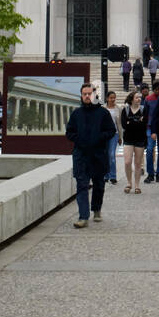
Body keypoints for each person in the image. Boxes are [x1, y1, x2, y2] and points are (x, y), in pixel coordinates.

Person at [65, 83, 117, 228]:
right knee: (81, 185)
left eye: (89, 93)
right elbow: (69, 132)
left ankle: (97, 209)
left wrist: (99, 137)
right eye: (84, 94)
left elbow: (111, 130)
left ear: (94, 95)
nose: (87, 96)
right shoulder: (76, 114)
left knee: (99, 184)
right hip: (81, 155)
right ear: (81, 96)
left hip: (98, 155)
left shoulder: (103, 113)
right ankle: (83, 216)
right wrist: (79, 139)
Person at [120, 90, 149, 193]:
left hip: (140, 139)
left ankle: (137, 185)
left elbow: (144, 124)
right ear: (132, 99)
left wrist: (131, 122)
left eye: (140, 98)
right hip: (128, 139)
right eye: (137, 97)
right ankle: (129, 183)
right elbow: (124, 125)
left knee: (137, 163)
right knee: (127, 162)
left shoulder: (143, 110)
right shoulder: (125, 110)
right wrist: (137, 122)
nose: (139, 99)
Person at [142, 79, 159, 182]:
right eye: (156, 90)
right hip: (150, 127)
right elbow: (145, 114)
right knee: (149, 150)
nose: (158, 92)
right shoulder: (148, 99)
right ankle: (150, 173)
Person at [104, 90, 123, 184]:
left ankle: (113, 176)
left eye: (114, 98)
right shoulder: (102, 108)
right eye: (111, 98)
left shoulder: (118, 108)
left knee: (111, 154)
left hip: (114, 134)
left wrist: (120, 137)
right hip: (104, 135)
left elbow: (119, 124)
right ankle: (106, 175)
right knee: (105, 155)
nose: (113, 99)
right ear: (107, 98)